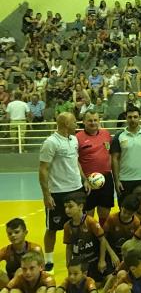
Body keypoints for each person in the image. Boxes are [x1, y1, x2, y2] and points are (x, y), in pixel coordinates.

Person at [39, 112, 87, 272]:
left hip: (76, 189)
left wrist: (84, 179)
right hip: (58, 192)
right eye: (74, 121)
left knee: (79, 225)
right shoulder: (50, 143)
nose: (77, 124)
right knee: (52, 227)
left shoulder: (74, 140)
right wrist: (46, 195)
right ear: (66, 124)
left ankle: (80, 253)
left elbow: (76, 161)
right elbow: (43, 169)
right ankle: (49, 260)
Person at [76, 111, 114, 223]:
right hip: (87, 181)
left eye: (95, 120)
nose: (93, 123)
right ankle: (89, 238)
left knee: (105, 213)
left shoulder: (106, 134)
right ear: (83, 122)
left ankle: (102, 238)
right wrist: (84, 179)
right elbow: (75, 160)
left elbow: (110, 153)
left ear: (99, 121)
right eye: (90, 120)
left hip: (106, 179)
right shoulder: (77, 138)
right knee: (88, 214)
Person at [111, 107, 141, 200]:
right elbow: (115, 158)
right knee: (125, 211)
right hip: (125, 180)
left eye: (135, 117)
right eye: (130, 117)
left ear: (140, 117)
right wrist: (117, 180)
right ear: (126, 118)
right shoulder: (119, 136)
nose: (132, 119)